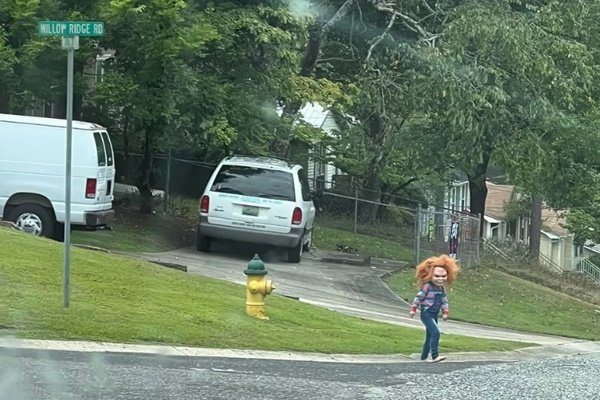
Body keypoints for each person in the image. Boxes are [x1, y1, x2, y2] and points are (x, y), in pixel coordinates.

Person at [409, 254, 460, 362]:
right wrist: (413, 309)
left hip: (434, 313)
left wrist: (445, 311)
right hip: (426, 313)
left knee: (429, 336)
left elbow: (444, 301)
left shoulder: (441, 289)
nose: (440, 279)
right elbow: (419, 297)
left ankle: (423, 357)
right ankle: (435, 356)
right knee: (435, 332)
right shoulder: (427, 286)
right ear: (429, 275)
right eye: (437, 276)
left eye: (443, 276)